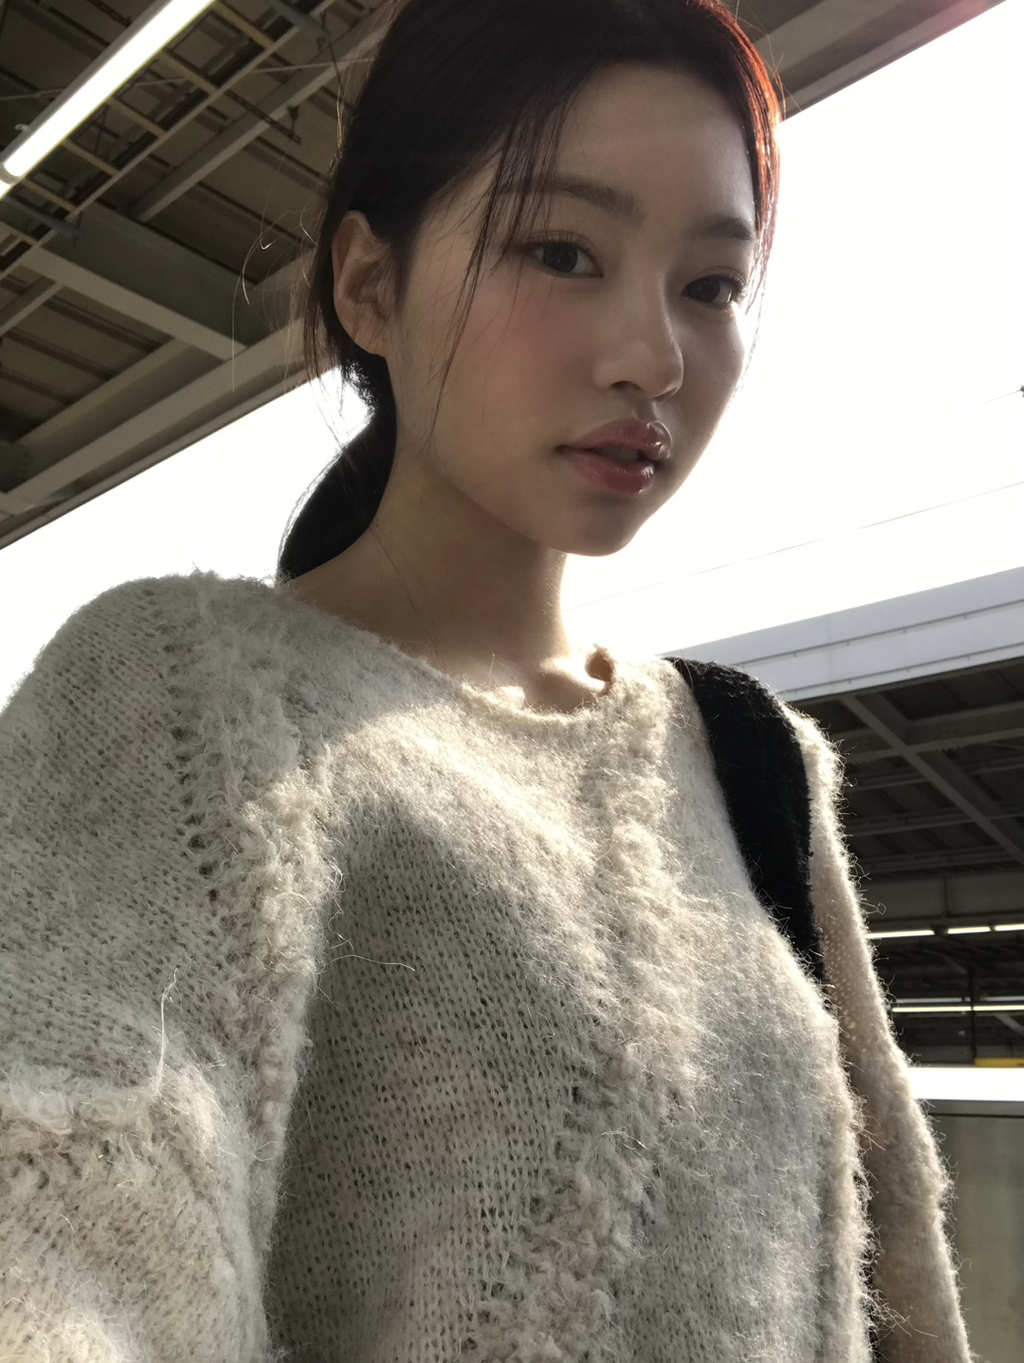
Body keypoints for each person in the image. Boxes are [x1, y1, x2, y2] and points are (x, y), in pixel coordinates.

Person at [0, 1, 973, 1360]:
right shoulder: (183, 698)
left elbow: (898, 1274)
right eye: (563, 252)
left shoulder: (752, 760)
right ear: (370, 287)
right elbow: (65, 1186)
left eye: (711, 285)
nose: (654, 357)